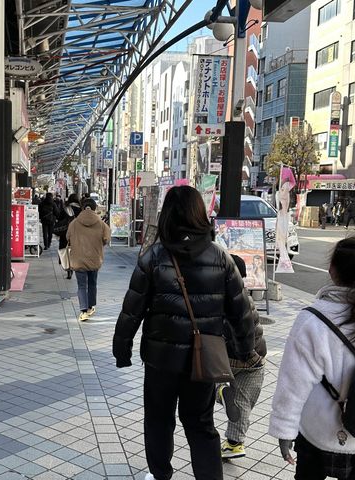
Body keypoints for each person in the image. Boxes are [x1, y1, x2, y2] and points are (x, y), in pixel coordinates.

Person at [112, 185, 257, 480]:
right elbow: (241, 312)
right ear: (198, 215)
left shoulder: (153, 257)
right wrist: (244, 350)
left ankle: (160, 474)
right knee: (200, 422)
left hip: (160, 359)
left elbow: (132, 310)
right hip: (203, 360)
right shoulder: (221, 258)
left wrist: (122, 349)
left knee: (158, 419)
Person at [270, 236, 355, 480]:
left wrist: (284, 430)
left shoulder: (313, 320)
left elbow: (292, 384)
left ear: (333, 271)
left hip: (321, 434)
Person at [217, 254, 266, 460]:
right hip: (256, 359)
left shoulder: (220, 299)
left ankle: (220, 391)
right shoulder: (247, 297)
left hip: (230, 358)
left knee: (207, 381)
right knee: (242, 400)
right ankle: (235, 444)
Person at [67, 198, 110, 321]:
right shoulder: (101, 223)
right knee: (92, 283)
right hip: (94, 258)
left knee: (81, 285)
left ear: (82, 207)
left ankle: (83, 311)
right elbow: (106, 239)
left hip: (78, 259)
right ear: (94, 208)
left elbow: (68, 237)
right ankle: (91, 307)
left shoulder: (74, 223)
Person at [57, 194, 82, 279]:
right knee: (75, 250)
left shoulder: (65, 208)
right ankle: (75, 266)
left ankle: (69, 270)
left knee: (66, 250)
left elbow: (59, 218)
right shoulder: (81, 209)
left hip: (65, 232)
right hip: (77, 233)